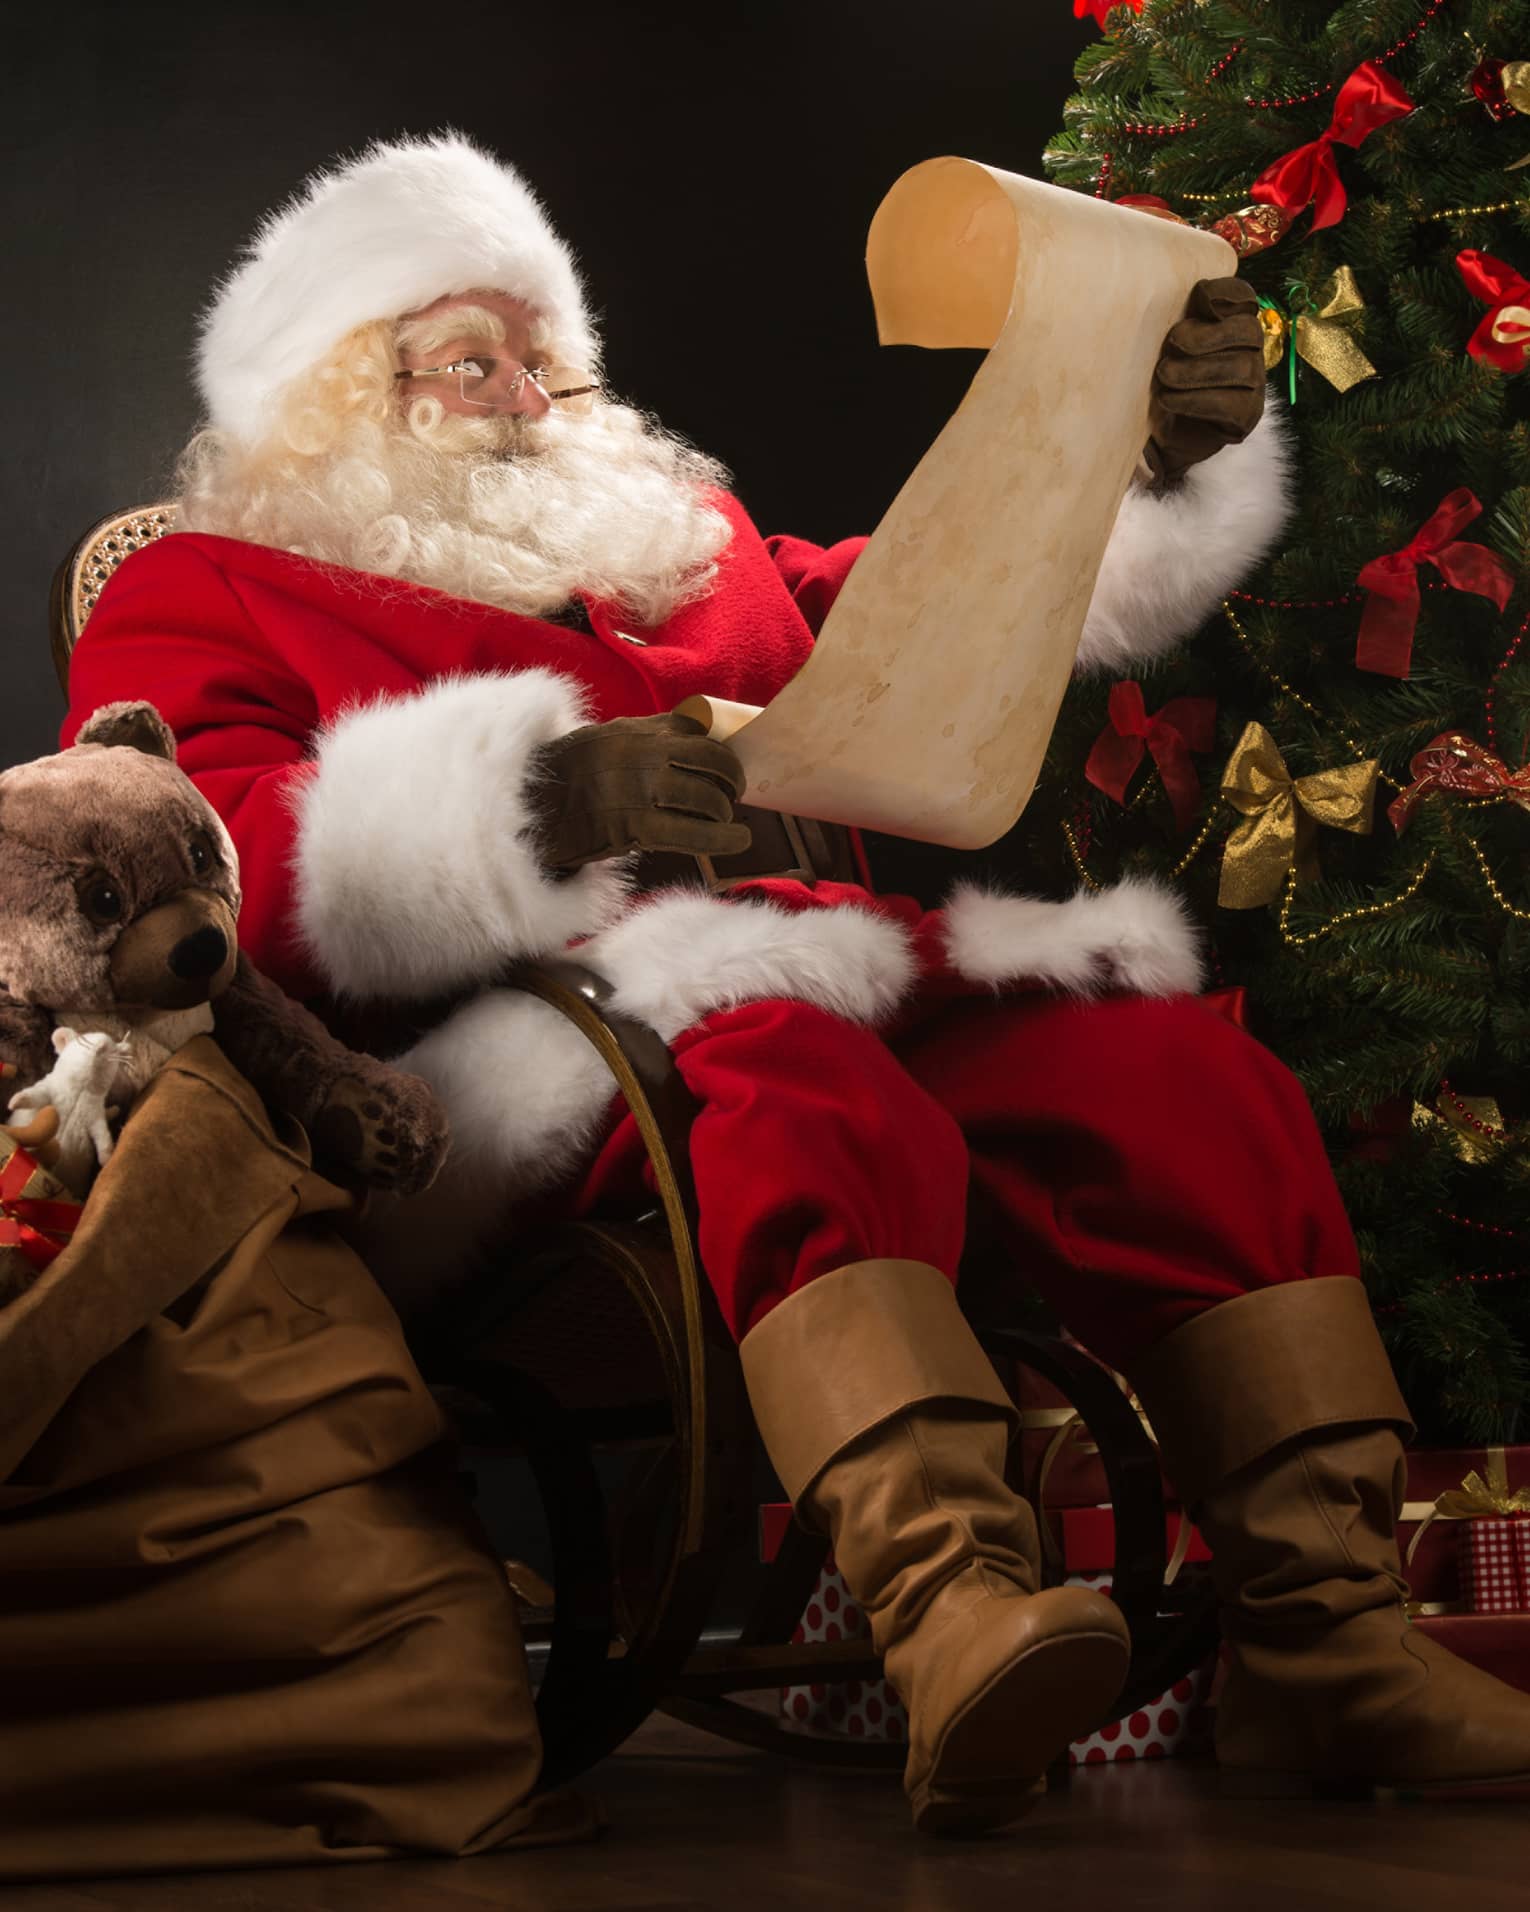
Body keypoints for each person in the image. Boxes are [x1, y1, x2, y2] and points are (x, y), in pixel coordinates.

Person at [63, 134, 1530, 1833]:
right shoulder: (202, 590)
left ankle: (1324, 1638)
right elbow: (196, 868)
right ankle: (946, 1600)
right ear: (330, 400)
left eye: (546, 356)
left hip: (819, 994)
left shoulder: (688, 556)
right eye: (470, 360)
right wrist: (534, 801)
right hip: (502, 1078)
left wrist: (1136, 458)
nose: (528, 395)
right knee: (777, 1051)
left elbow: (934, 620)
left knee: (1151, 1058)